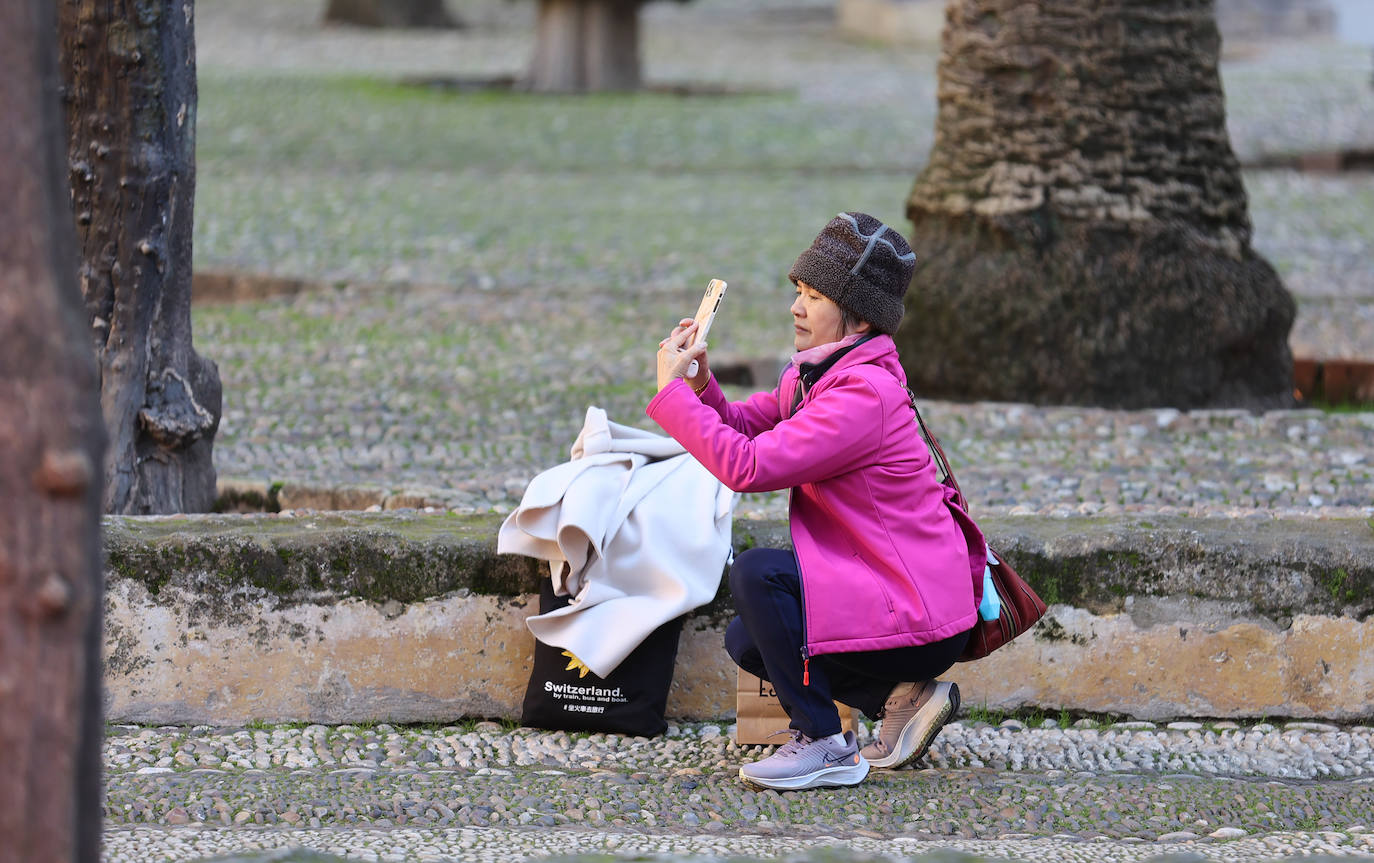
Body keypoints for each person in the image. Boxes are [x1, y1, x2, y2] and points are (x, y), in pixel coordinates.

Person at [646, 212, 986, 791]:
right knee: (748, 641)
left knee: (759, 573)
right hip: (886, 591)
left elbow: (747, 467)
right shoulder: (820, 375)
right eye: (798, 292)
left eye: (815, 295)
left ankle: (827, 744)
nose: (797, 308)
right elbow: (743, 428)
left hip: (917, 609)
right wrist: (700, 387)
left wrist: (671, 396)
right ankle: (901, 699)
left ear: (857, 315)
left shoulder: (862, 395)